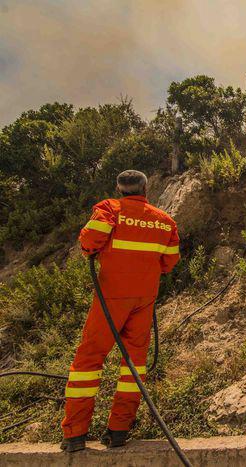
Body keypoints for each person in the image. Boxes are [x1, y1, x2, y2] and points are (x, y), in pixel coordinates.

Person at [60, 170, 180, 453]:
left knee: (89, 360)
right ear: (145, 189)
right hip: (144, 298)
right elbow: (170, 262)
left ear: (119, 188)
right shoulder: (165, 221)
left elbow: (89, 243)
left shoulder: (109, 210)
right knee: (134, 364)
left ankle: (75, 435)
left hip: (110, 297)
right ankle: (118, 431)